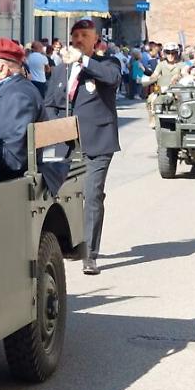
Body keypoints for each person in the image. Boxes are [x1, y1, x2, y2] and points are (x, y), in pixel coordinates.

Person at [44, 19, 121, 275]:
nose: (78, 40)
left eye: (84, 36)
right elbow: (51, 104)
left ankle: (89, 252)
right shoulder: (61, 69)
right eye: (74, 36)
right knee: (51, 192)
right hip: (63, 142)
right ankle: (63, 243)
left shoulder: (108, 63)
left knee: (92, 195)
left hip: (96, 143)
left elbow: (111, 78)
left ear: (95, 39)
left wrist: (84, 61)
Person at [0, 38, 45, 182]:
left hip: (2, 185)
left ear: (2, 70)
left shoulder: (18, 97)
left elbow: (13, 159)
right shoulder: (7, 91)